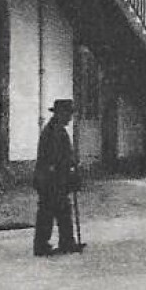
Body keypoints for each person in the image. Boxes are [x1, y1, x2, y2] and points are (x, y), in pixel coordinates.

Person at [33, 98, 84, 256]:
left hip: (52, 178)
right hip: (51, 179)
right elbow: (55, 157)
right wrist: (71, 162)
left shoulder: (57, 129)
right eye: (68, 114)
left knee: (60, 210)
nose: (70, 118)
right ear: (61, 114)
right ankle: (44, 245)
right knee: (49, 212)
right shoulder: (54, 131)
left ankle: (65, 242)